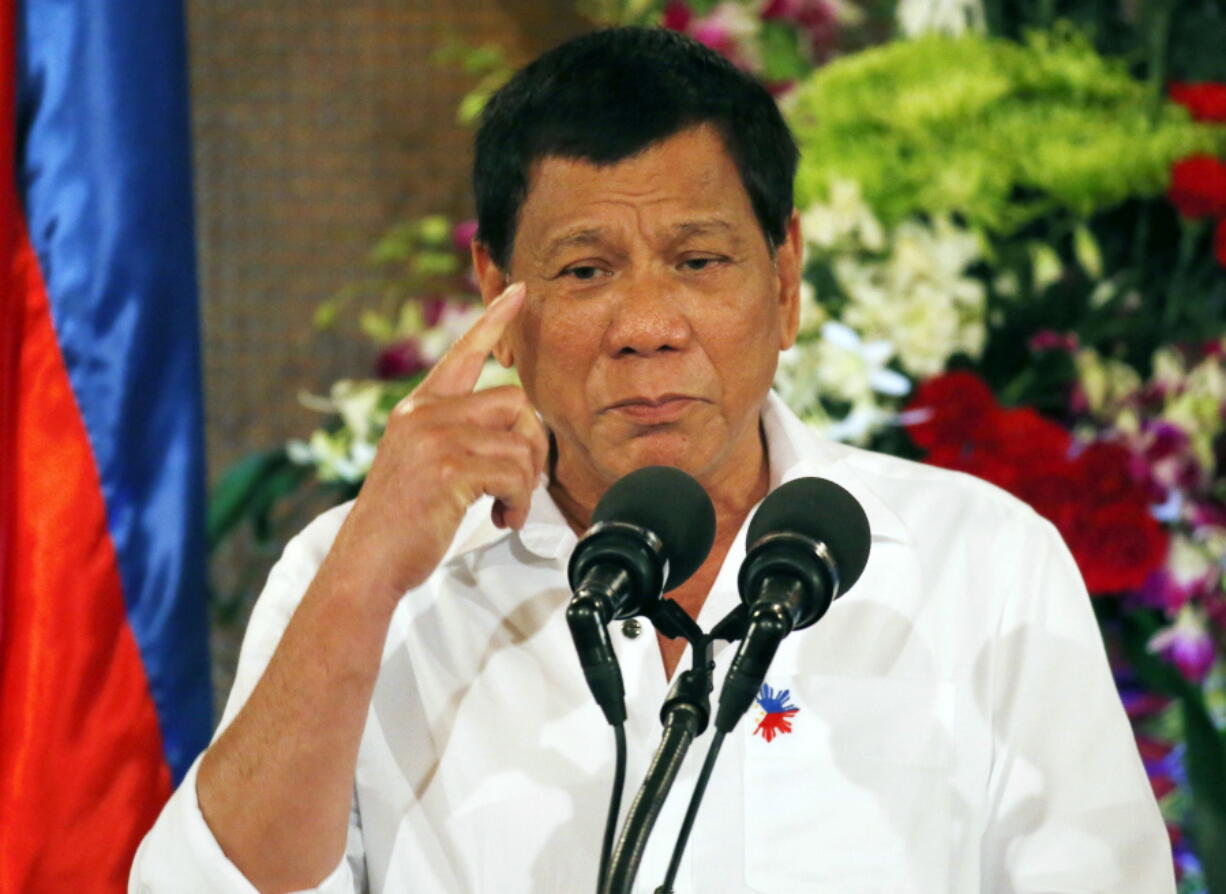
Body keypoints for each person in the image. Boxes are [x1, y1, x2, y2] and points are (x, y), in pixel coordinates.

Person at [131, 26, 1173, 894]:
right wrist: (366, 576)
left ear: (785, 277)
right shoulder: (352, 574)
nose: (645, 326)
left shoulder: (979, 562)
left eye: (697, 261)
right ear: (499, 293)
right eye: (584, 269)